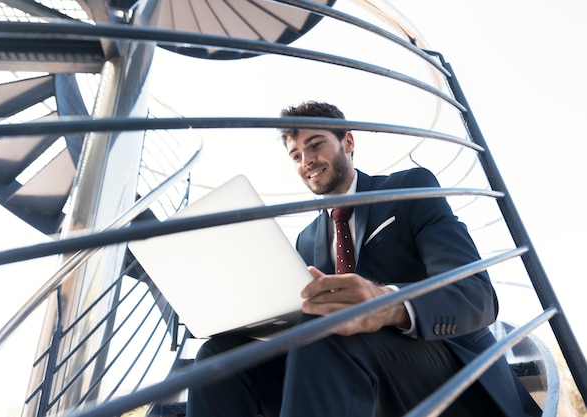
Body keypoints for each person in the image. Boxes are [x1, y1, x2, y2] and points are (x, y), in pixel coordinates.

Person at [186, 101, 540, 416]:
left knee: (330, 331)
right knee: (219, 356)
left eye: (315, 145)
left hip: (444, 368)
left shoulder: (409, 188)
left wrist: (387, 303)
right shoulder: (305, 240)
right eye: (295, 155)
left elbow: (476, 295)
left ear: (348, 143)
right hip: (342, 375)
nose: (306, 160)